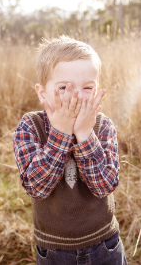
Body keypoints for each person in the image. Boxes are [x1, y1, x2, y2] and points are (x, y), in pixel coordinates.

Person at [13, 36, 127, 265]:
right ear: (42, 93)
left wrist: (85, 135)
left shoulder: (103, 126)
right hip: (54, 250)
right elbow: (37, 187)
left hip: (104, 243)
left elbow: (105, 184)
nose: (76, 96)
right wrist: (61, 133)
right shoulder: (30, 126)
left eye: (87, 87)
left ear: (96, 91)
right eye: (64, 87)